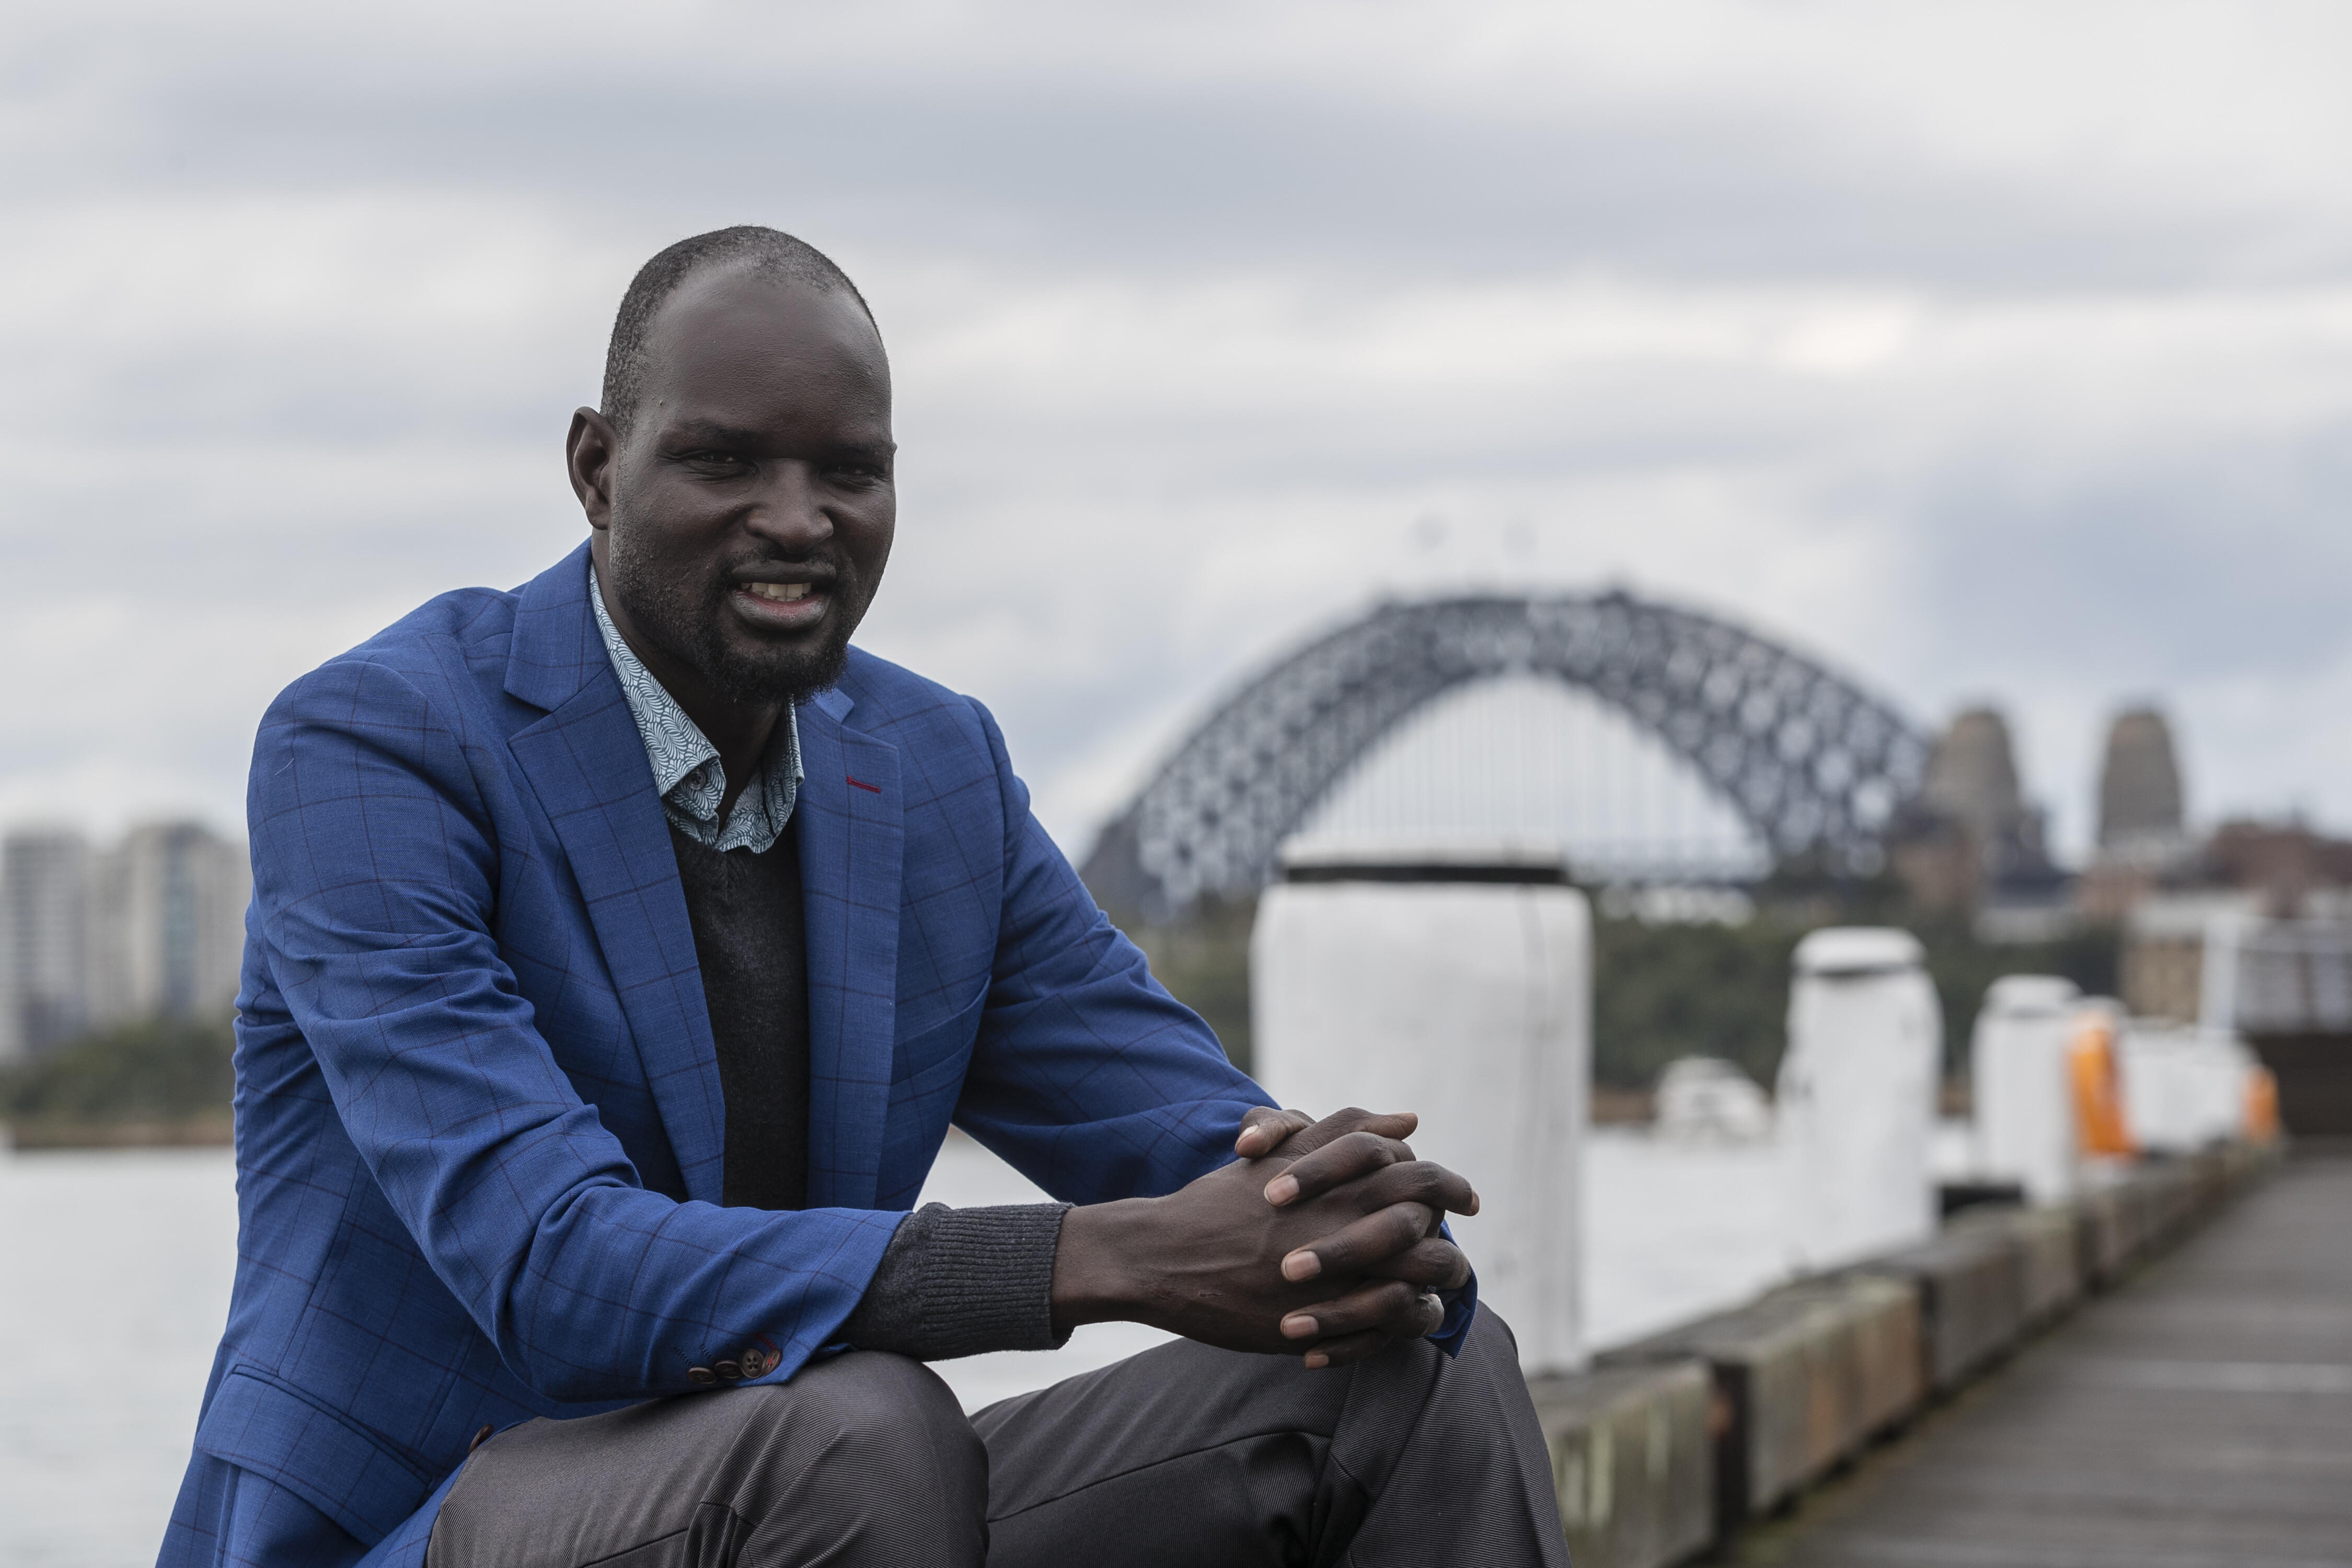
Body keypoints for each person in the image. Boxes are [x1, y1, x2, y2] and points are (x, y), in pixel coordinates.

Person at [160, 226, 1567, 1568]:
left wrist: (1347, 1216)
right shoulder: (380, 747)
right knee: (861, 1426)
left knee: (1408, 1363)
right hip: (432, 1523)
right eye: (722, 462)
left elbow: (1182, 1129)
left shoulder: (931, 767)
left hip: (832, 1502)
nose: (795, 520)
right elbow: (551, 1267)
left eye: (848, 470)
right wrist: (1096, 1259)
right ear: (595, 469)